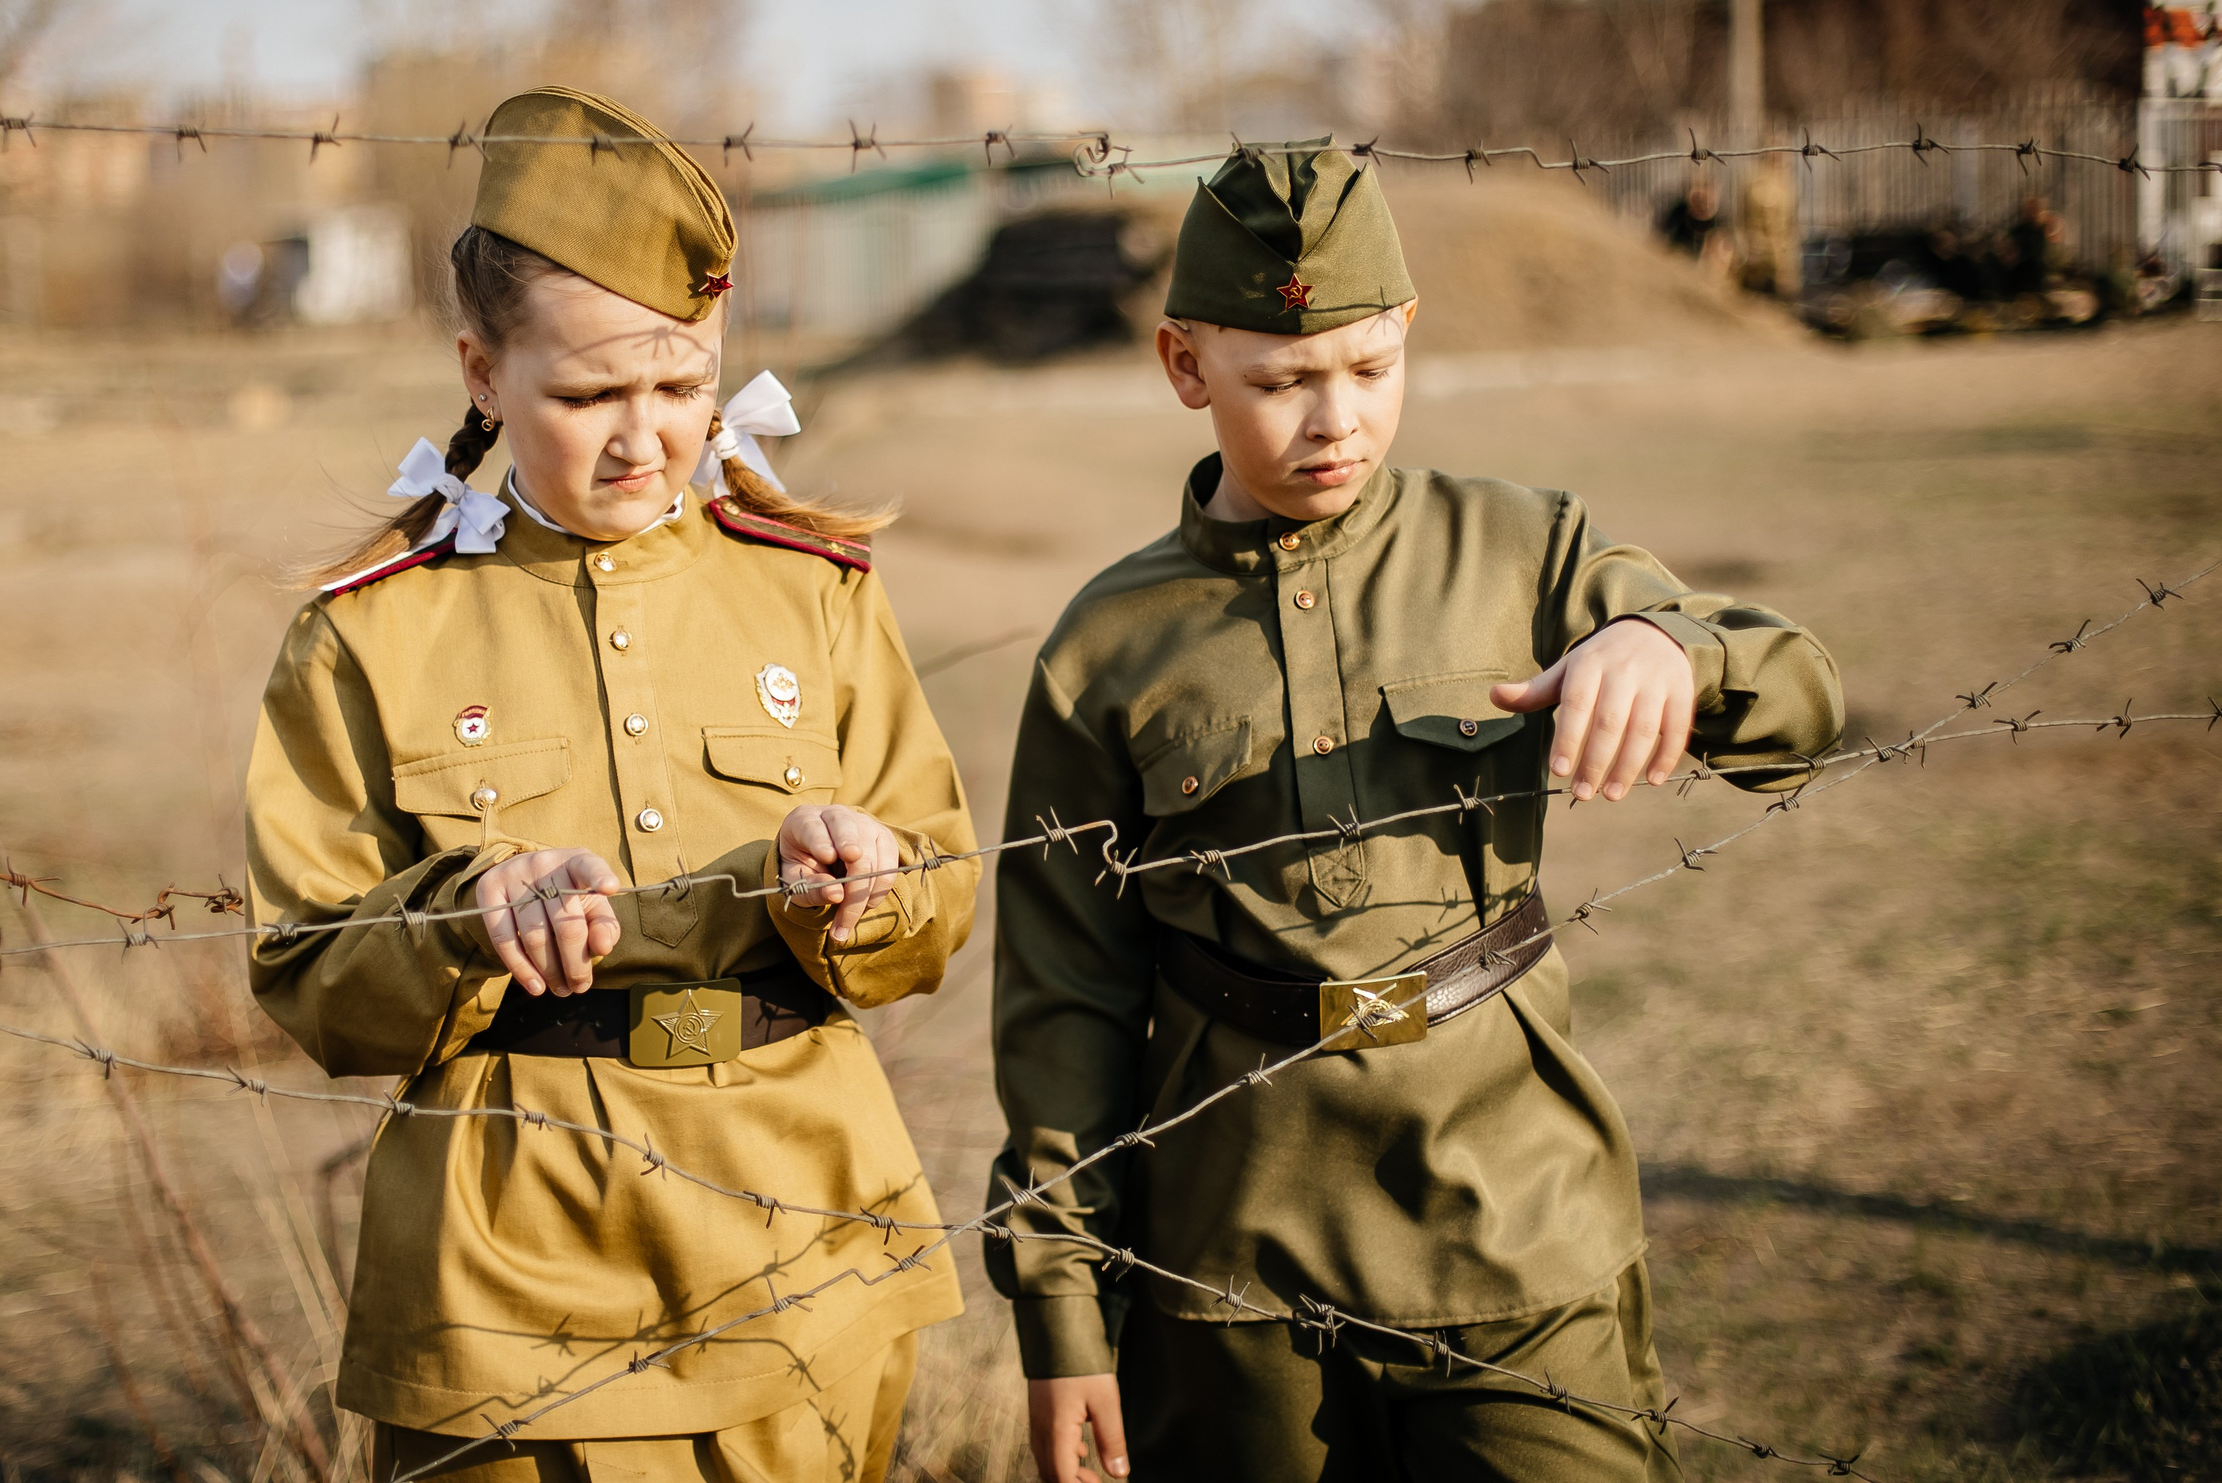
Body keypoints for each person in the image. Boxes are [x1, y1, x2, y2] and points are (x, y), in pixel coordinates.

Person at [988, 139, 1844, 1483]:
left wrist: (1673, 646)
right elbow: (1063, 1000)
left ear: (1407, 339)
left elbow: (1804, 705)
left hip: (1511, 1218)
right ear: (1183, 366)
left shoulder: (1523, 548)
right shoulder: (1106, 648)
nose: (1334, 420)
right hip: (1230, 1262)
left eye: (1370, 370)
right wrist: (1063, 1307)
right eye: (1279, 382)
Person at [245, 86, 979, 1483]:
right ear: (480, 373)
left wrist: (864, 888)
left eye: (684, 385)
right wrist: (467, 912)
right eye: (589, 396)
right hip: (512, 1281)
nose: (649, 440)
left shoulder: (812, 593)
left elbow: (937, 892)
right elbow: (303, 968)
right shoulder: (369, 632)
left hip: (809, 1247)